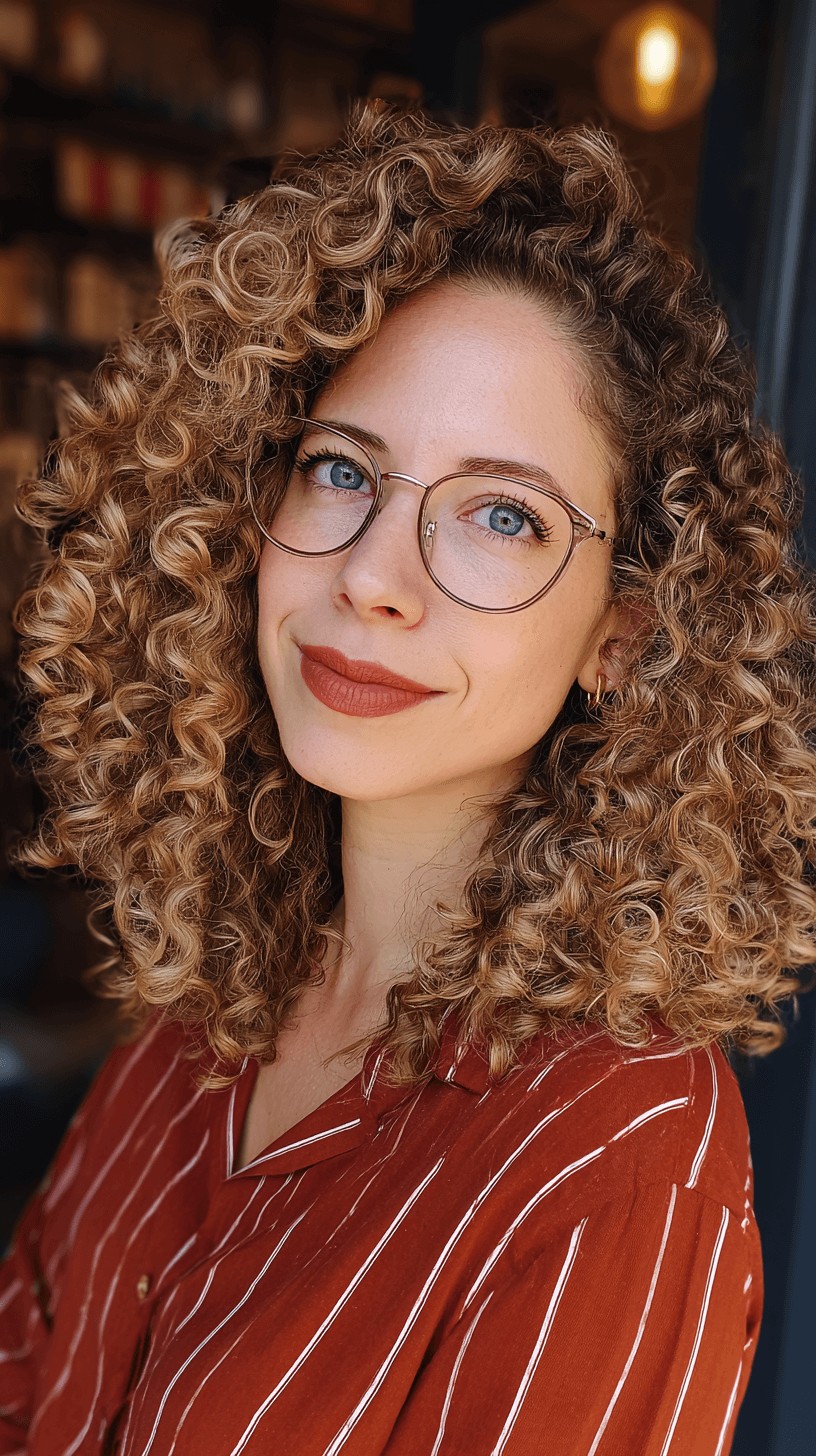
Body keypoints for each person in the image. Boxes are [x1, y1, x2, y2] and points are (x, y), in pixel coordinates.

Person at [2, 97, 815, 1456]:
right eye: (339, 470)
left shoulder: (617, 1145)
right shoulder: (200, 1012)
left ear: (627, 628)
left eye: (504, 515)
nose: (372, 579)